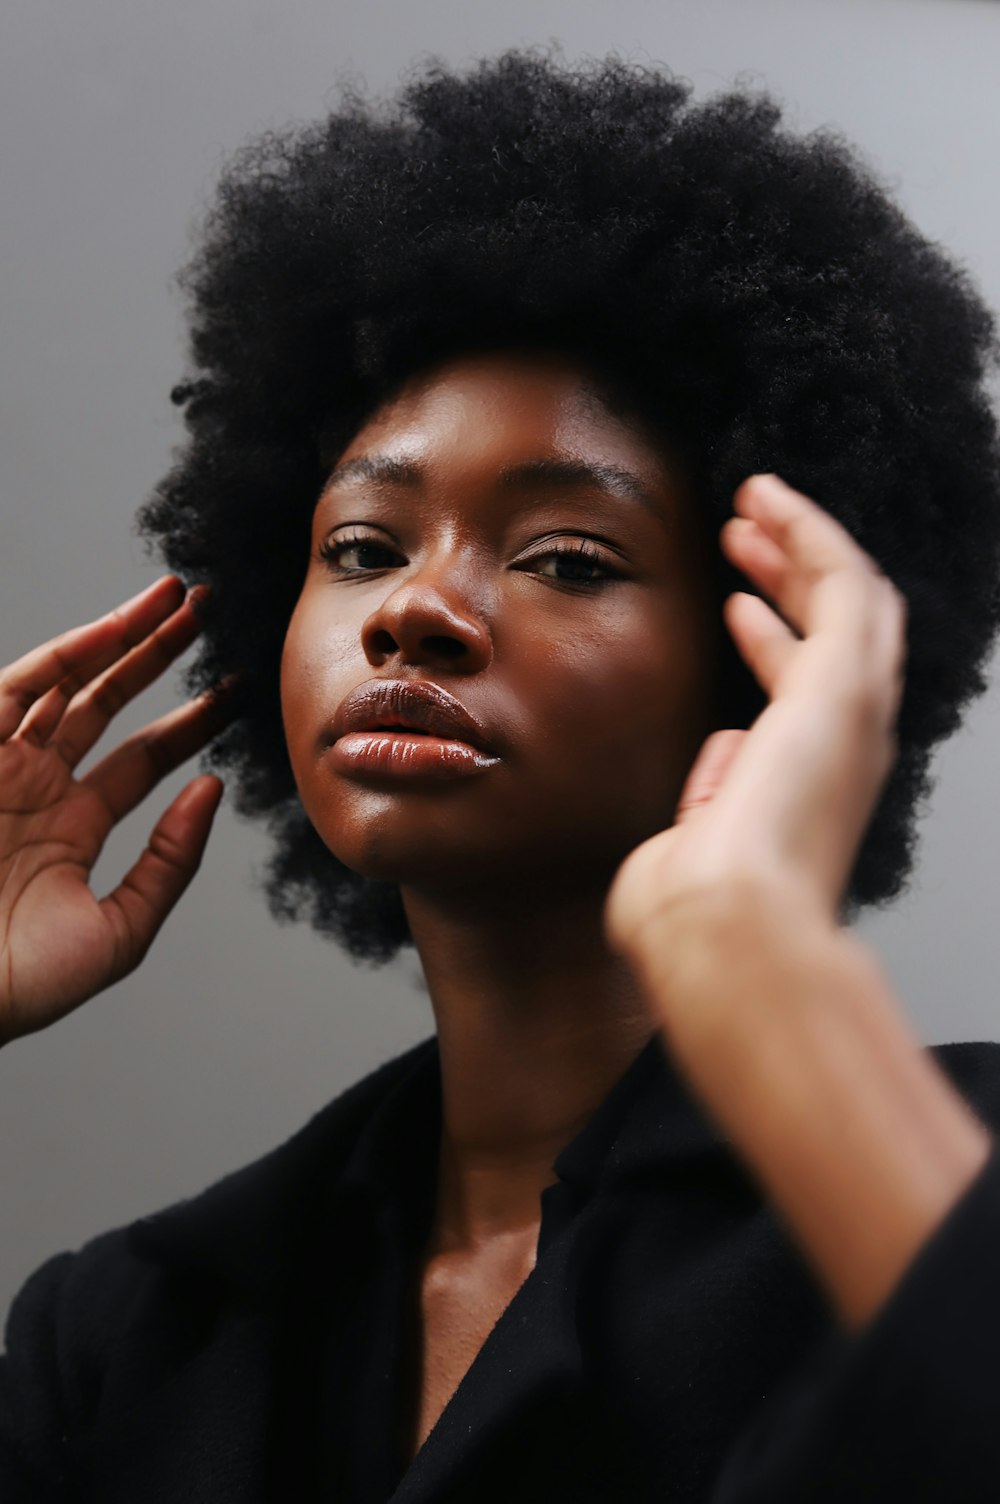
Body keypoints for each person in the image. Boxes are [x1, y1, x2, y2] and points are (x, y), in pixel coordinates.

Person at [2, 47, 1000, 1503]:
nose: (413, 609)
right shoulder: (126, 1330)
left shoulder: (936, 1184)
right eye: (361, 548)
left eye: (566, 560)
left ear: (760, 665)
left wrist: (753, 959)